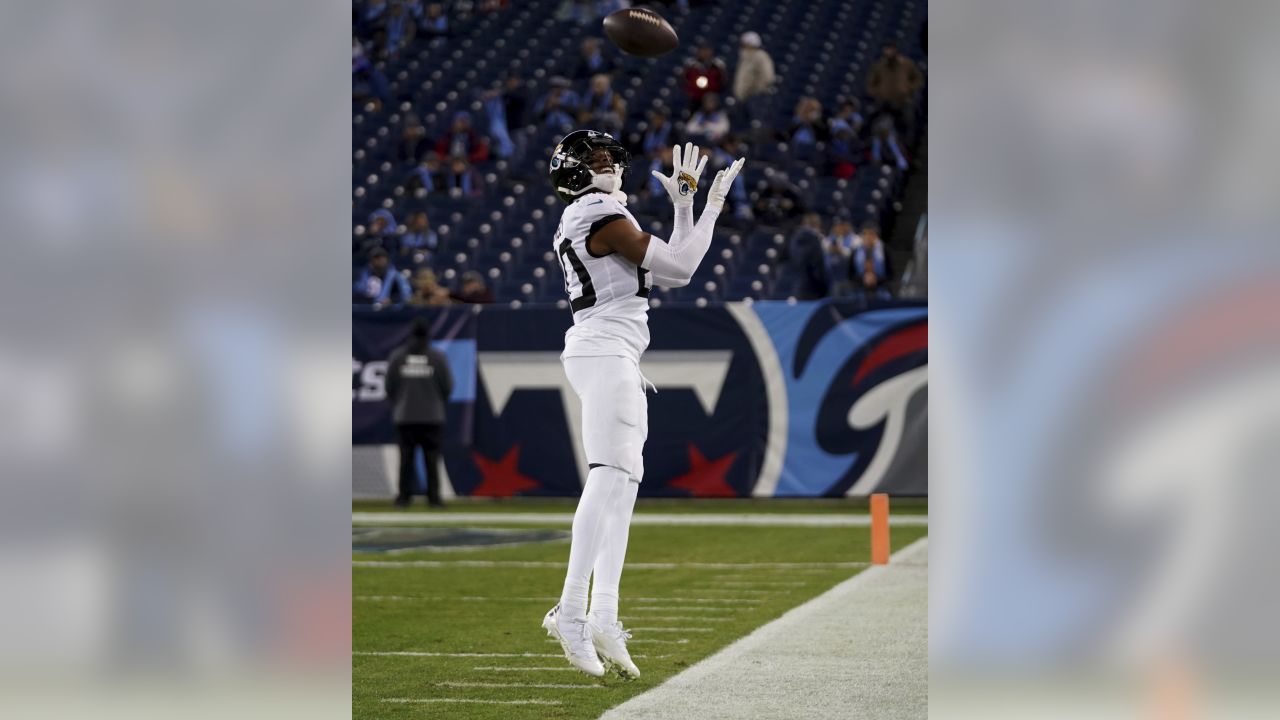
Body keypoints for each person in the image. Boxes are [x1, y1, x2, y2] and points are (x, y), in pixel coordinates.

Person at [542, 131, 744, 679]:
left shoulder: (597, 215)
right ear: (574, 174)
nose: (607, 164)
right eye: (595, 158)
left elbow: (672, 264)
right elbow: (682, 269)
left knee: (625, 483)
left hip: (616, 352)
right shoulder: (598, 210)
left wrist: (685, 209)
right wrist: (709, 208)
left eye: (609, 156)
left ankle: (603, 613)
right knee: (608, 476)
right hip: (605, 349)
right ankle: (571, 610)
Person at [384, 317, 454, 507]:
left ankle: (403, 498)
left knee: (405, 459)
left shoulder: (398, 356)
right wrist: (434, 401)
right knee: (431, 459)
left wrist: (401, 403)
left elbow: (389, 386)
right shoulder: (437, 357)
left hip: (405, 416)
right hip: (432, 416)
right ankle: (434, 498)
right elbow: (447, 386)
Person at [731, 31, 775, 130]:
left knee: (756, 125)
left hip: (756, 97)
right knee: (742, 126)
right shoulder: (744, 57)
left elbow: (768, 78)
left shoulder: (761, 56)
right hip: (742, 97)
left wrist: (754, 90)